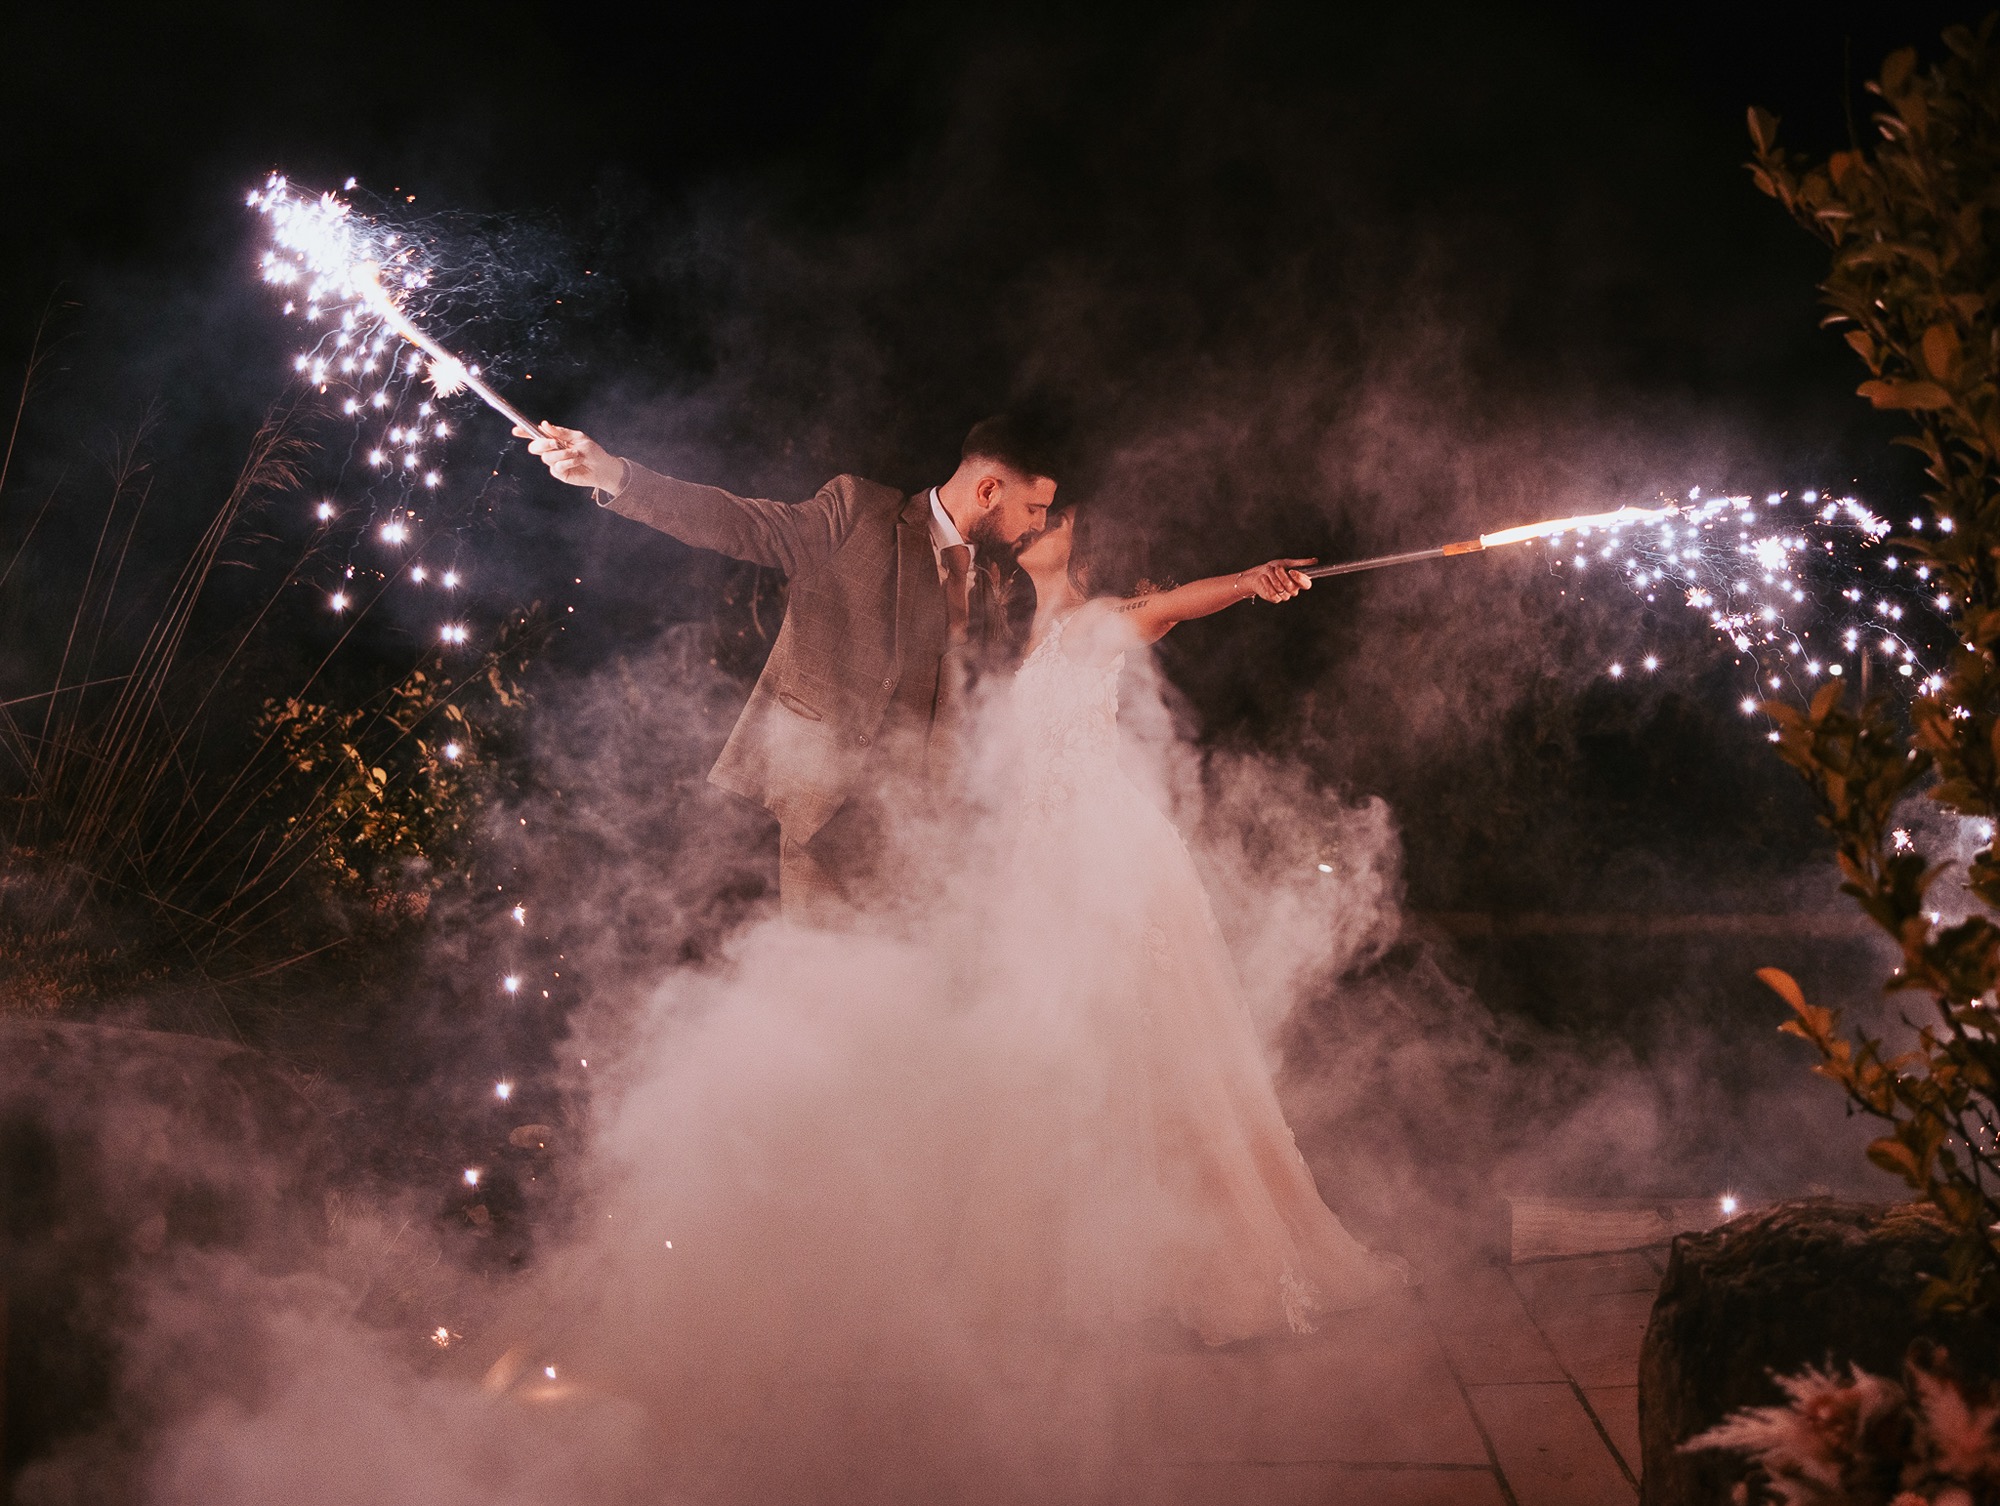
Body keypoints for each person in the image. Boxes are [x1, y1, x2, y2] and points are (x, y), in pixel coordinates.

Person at [981, 504, 1406, 1343]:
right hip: (1035, 862)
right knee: (1059, 1052)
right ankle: (1088, 1258)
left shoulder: (1096, 621)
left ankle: (1198, 1263)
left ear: (1083, 538)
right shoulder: (1006, 636)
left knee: (1157, 1048)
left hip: (1105, 855)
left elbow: (1170, 606)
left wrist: (1249, 582)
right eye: (1031, 515)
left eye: (1056, 516)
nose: (1036, 526)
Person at [519, 415, 1058, 923]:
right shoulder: (859, 513)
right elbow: (743, 523)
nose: (1037, 526)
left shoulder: (986, 584)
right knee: (820, 997)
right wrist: (615, 474)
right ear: (989, 491)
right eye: (1033, 508)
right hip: (827, 812)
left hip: (924, 843)